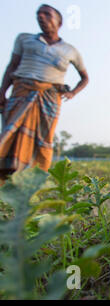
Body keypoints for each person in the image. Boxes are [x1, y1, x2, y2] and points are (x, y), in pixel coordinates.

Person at [0, 4, 89, 185]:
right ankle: (7, 175)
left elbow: (85, 78)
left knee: (43, 139)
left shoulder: (70, 50)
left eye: (47, 14)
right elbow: (12, 66)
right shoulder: (24, 40)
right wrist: (2, 91)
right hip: (22, 90)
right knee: (10, 133)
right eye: (38, 14)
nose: (41, 17)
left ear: (59, 22)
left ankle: (34, 180)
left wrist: (72, 93)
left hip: (49, 97)